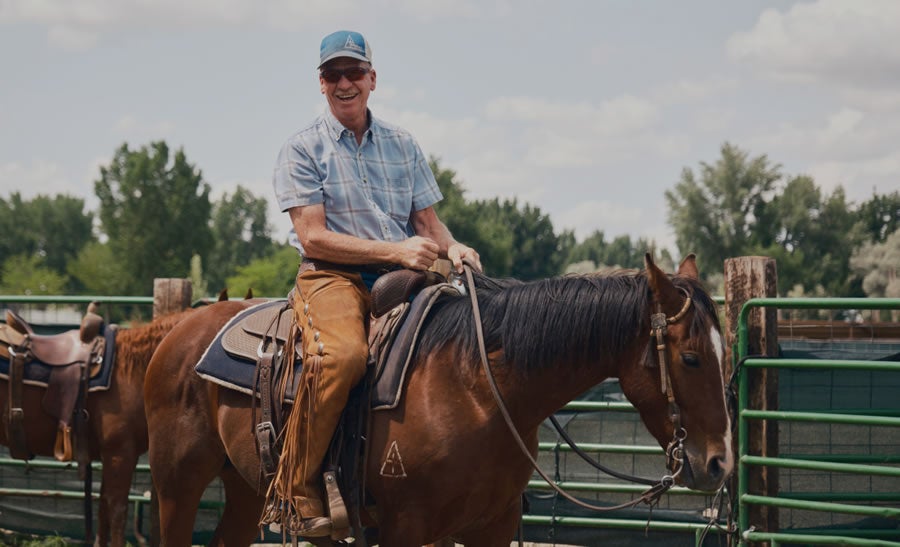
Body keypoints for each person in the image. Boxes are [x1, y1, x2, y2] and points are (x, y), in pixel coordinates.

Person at [261, 30, 482, 538]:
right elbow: (313, 237)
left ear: (372, 79)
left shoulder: (403, 144)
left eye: (353, 73)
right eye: (333, 74)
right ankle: (295, 488)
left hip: (402, 277)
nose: (344, 83)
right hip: (331, 278)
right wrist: (395, 250)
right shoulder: (301, 148)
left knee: (464, 346)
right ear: (320, 84)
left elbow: (428, 224)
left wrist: (454, 248)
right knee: (342, 358)